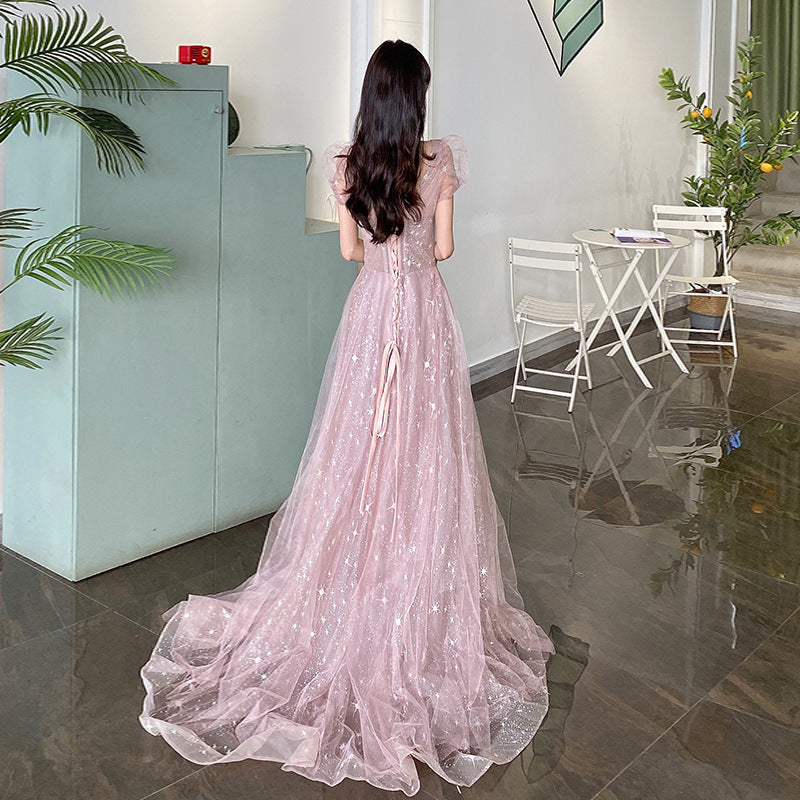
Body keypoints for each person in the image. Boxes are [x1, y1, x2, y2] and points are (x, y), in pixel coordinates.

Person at [139, 39, 553, 796]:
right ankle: (415, 576)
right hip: (422, 317)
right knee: (429, 448)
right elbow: (445, 249)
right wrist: (419, 246)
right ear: (415, 98)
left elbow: (350, 254)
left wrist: (384, 246)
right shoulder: (438, 162)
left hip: (371, 317)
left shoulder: (348, 165)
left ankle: (353, 563)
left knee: (357, 443)